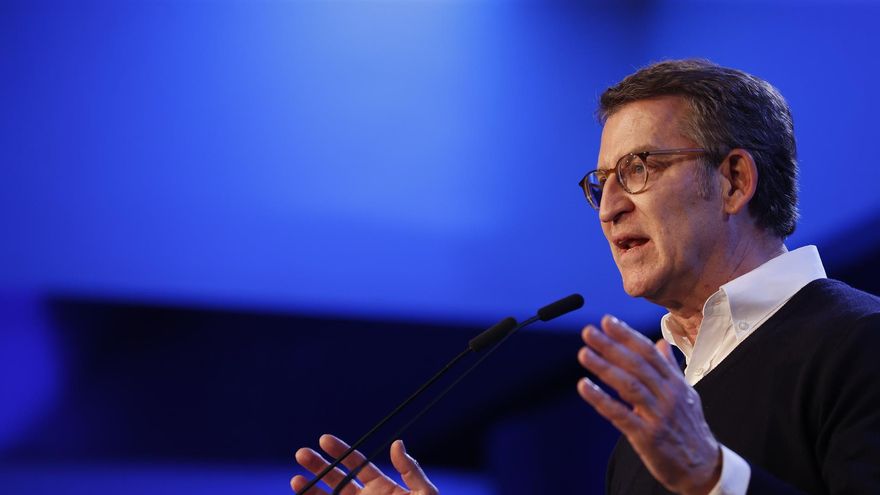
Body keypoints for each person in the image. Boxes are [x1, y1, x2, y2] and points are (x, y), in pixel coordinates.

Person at [291, 60, 880, 495]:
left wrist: (712, 477)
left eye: (639, 168)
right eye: (601, 184)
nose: (609, 208)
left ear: (733, 180)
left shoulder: (860, 343)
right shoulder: (650, 422)